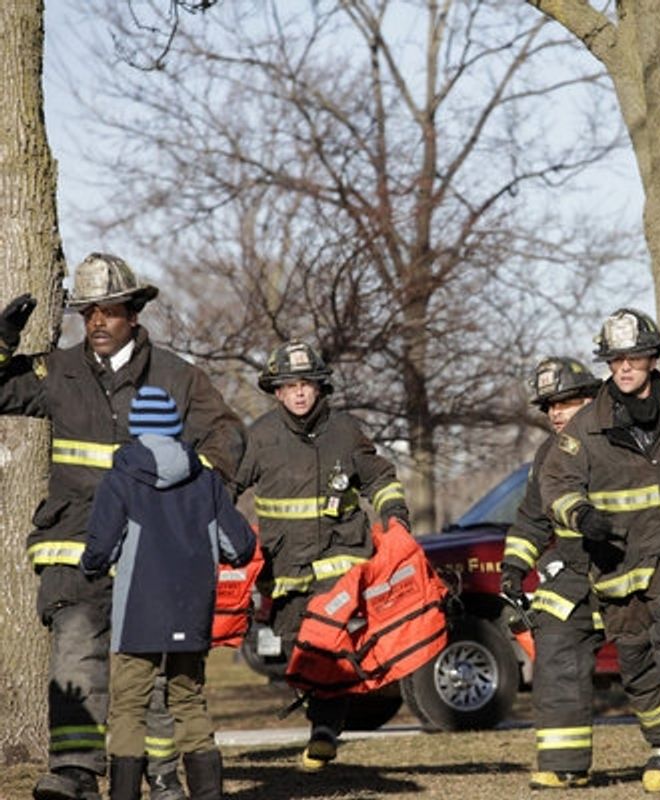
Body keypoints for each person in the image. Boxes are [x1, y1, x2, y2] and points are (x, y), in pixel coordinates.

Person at [0, 254, 245, 800]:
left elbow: (228, 438)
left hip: (153, 550)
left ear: (134, 313)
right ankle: (75, 771)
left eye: (109, 311)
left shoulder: (179, 378)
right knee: (75, 645)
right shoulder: (56, 372)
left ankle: (161, 776)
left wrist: (191, 501)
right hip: (76, 541)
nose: (97, 323)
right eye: (87, 313)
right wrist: (2, 342)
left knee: (153, 666)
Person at [538, 308, 660, 793]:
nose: (625, 367)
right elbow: (556, 483)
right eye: (615, 359)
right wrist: (581, 516)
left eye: (633, 357)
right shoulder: (585, 427)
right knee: (636, 664)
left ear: (653, 356)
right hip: (615, 563)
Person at [233, 340, 408, 772]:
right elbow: (227, 487)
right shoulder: (259, 437)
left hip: (339, 561)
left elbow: (380, 479)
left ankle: (325, 732)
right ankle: (323, 719)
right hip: (285, 570)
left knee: (327, 639)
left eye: (306, 384)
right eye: (289, 385)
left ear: (319, 387)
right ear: (276, 392)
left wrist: (396, 518)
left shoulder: (345, 432)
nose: (298, 393)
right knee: (301, 652)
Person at [81, 387, 256, 800]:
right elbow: (241, 546)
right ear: (175, 427)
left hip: (138, 611)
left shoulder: (121, 478)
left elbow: (100, 548)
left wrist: (91, 566)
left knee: (128, 706)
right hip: (192, 610)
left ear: (136, 427)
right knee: (190, 701)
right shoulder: (206, 480)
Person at [498, 356, 604, 789]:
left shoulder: (621, 444)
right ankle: (565, 764)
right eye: (550, 406)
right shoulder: (547, 454)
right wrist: (513, 566)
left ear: (591, 399)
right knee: (556, 656)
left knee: (650, 664)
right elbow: (532, 521)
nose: (556, 413)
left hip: (629, 566)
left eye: (567, 402)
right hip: (572, 573)